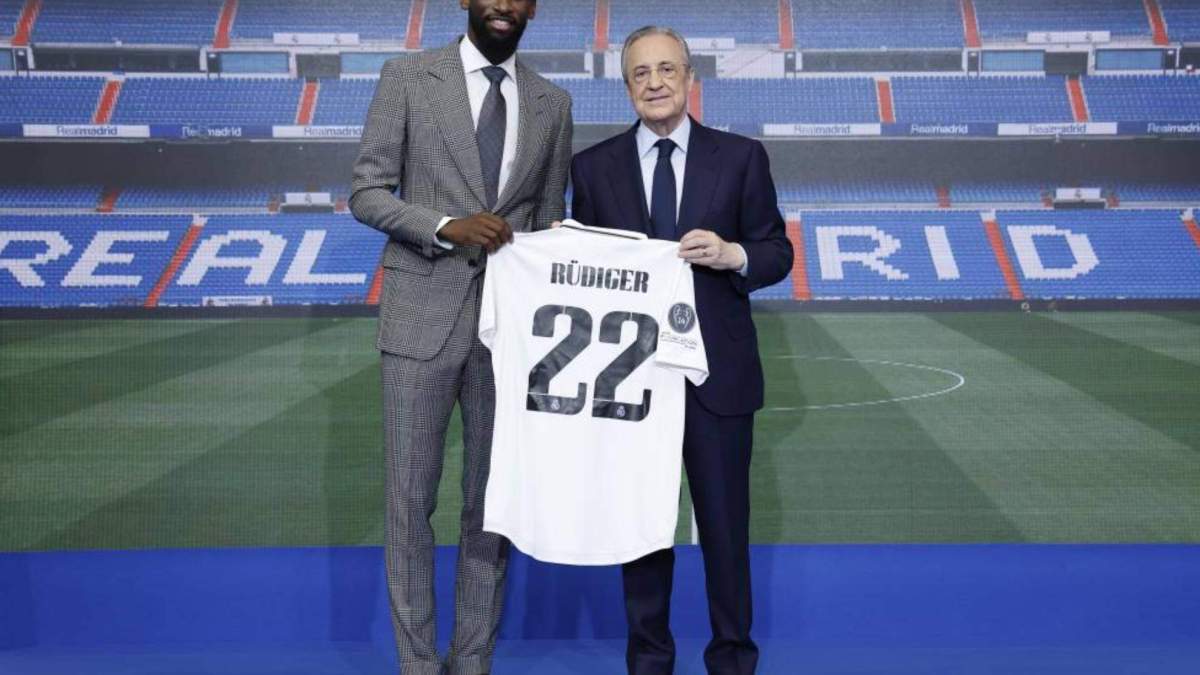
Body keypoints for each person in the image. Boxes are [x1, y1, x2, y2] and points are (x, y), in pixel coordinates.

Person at [348, 0, 572, 672]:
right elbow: (367, 191)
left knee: (491, 507)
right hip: (419, 320)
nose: (504, 5)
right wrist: (447, 226)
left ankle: (472, 658)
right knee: (410, 503)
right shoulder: (408, 77)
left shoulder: (553, 103)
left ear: (532, 8)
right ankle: (418, 663)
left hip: (509, 334)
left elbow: (549, 218)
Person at [569, 26, 793, 675]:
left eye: (667, 69)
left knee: (724, 530)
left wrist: (733, 254)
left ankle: (732, 658)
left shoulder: (741, 157)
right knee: (640, 530)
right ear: (627, 87)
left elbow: (777, 250)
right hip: (630, 379)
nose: (656, 82)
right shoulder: (593, 168)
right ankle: (649, 660)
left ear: (690, 78)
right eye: (641, 73)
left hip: (717, 377)